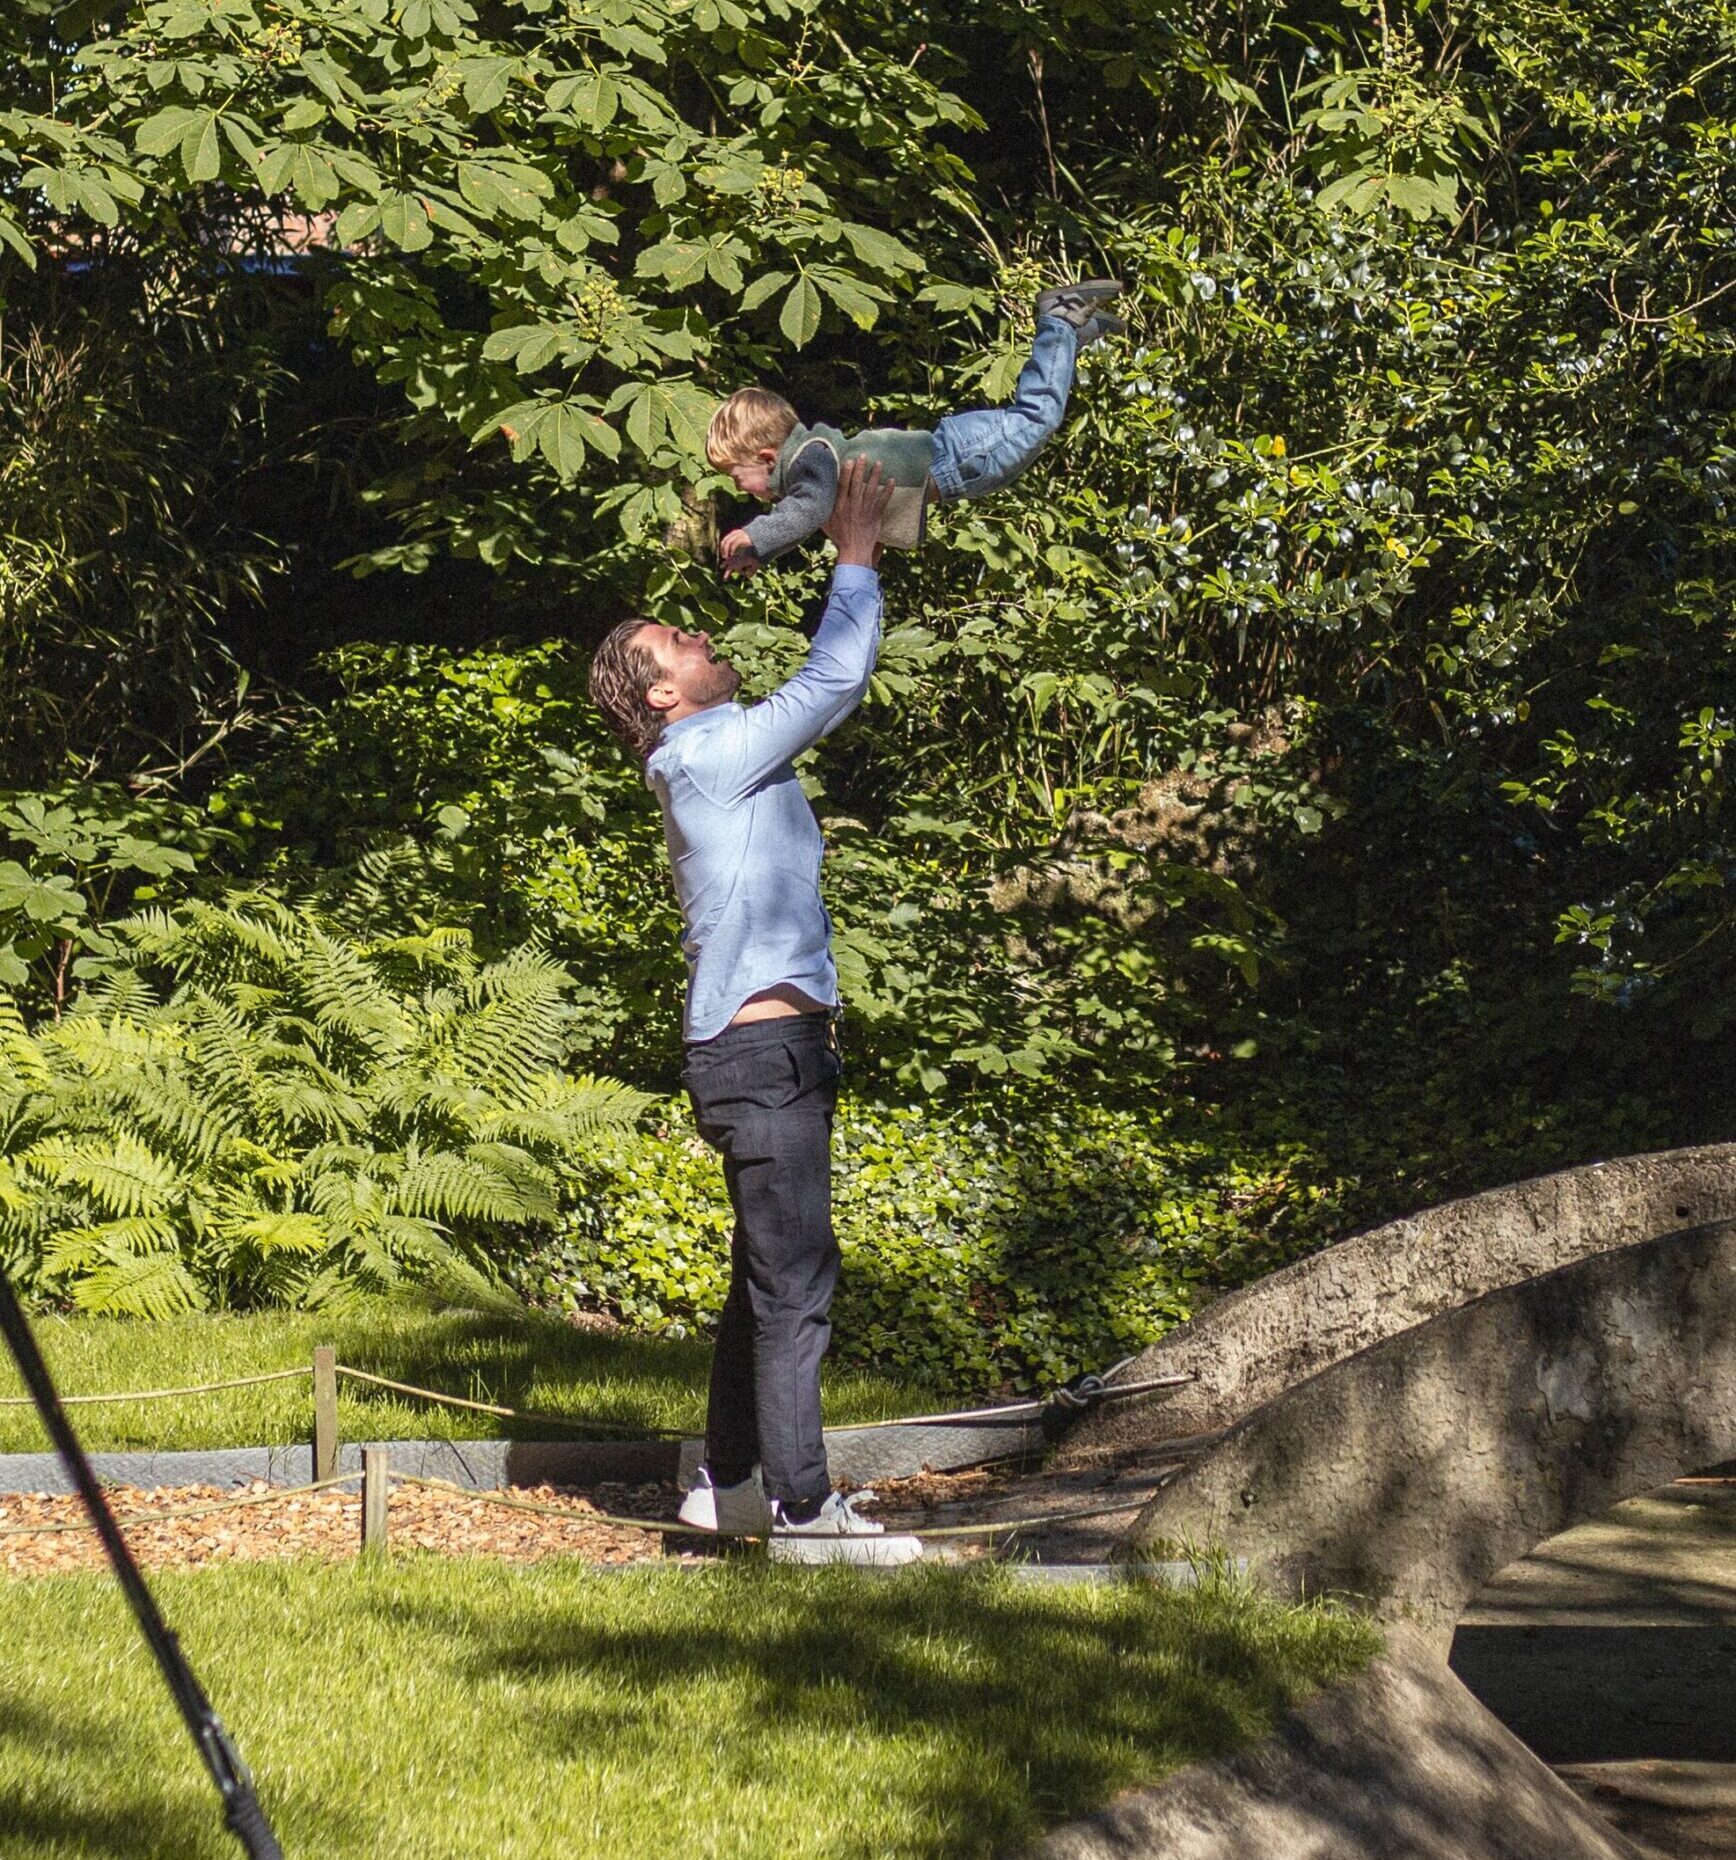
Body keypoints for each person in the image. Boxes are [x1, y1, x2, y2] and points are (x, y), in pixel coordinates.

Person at [586, 459, 922, 1565]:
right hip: (762, 1054)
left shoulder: (699, 759)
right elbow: (831, 683)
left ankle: (726, 1487)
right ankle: (804, 1511)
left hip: (762, 1051)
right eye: (673, 643)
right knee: (794, 1286)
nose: (695, 636)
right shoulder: (708, 755)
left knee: (760, 1282)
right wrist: (855, 555)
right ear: (659, 694)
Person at [705, 280, 1124, 576]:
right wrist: (763, 554)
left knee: (1037, 418)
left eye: (735, 475)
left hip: (954, 456)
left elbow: (805, 510)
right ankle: (1069, 337)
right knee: (1035, 424)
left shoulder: (812, 458)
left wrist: (754, 537)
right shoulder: (809, 474)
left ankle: (1059, 321)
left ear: (766, 457)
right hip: (958, 468)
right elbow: (806, 516)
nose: (739, 489)